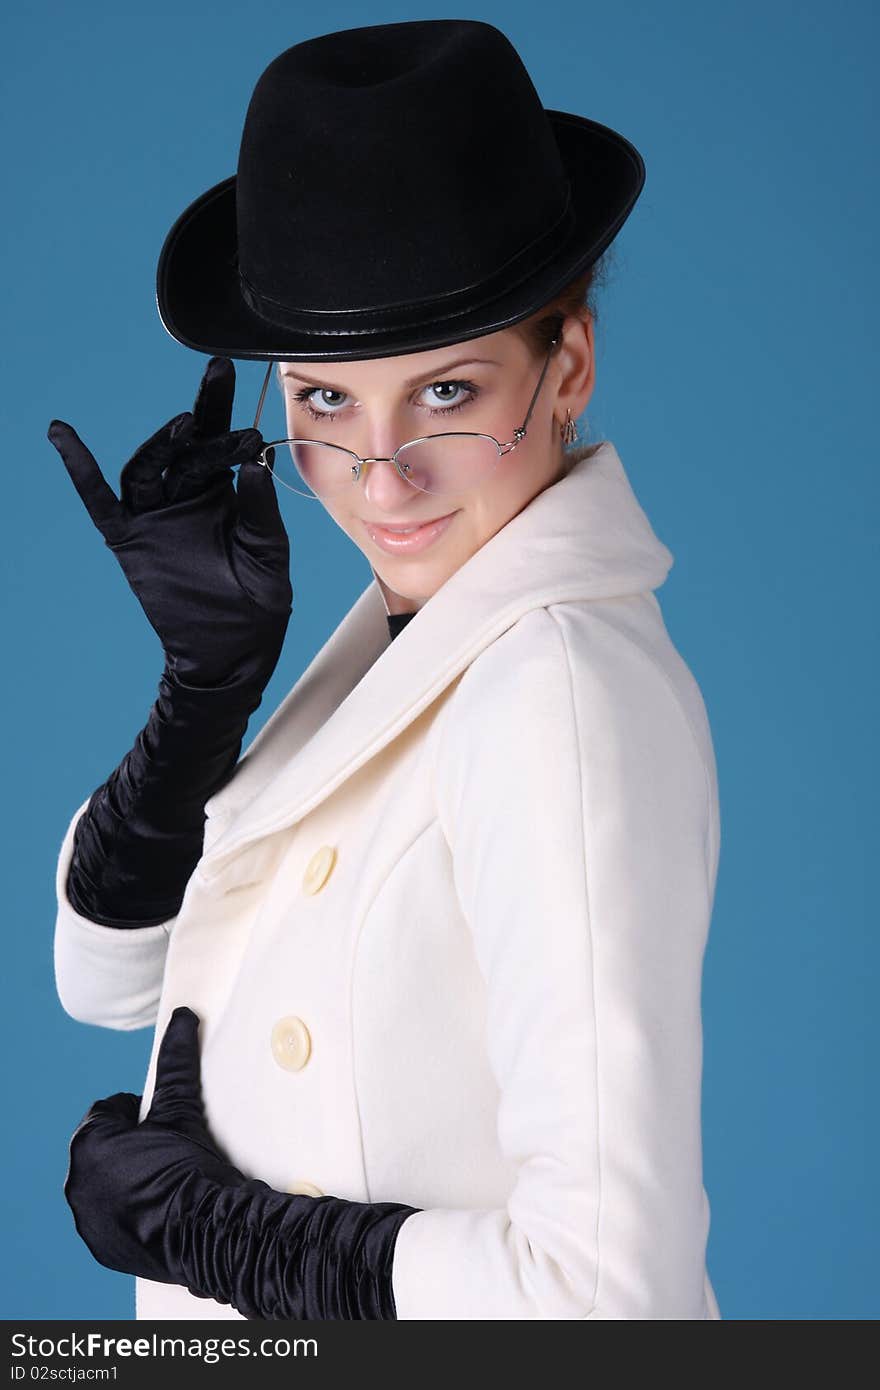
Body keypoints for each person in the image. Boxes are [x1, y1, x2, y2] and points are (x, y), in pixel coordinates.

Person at [48, 19, 723, 1320]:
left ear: (567, 365)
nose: (384, 473)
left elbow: (608, 1297)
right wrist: (204, 692)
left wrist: (217, 1236)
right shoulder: (419, 639)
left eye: (451, 393)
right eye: (326, 402)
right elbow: (107, 977)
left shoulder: (557, 690)